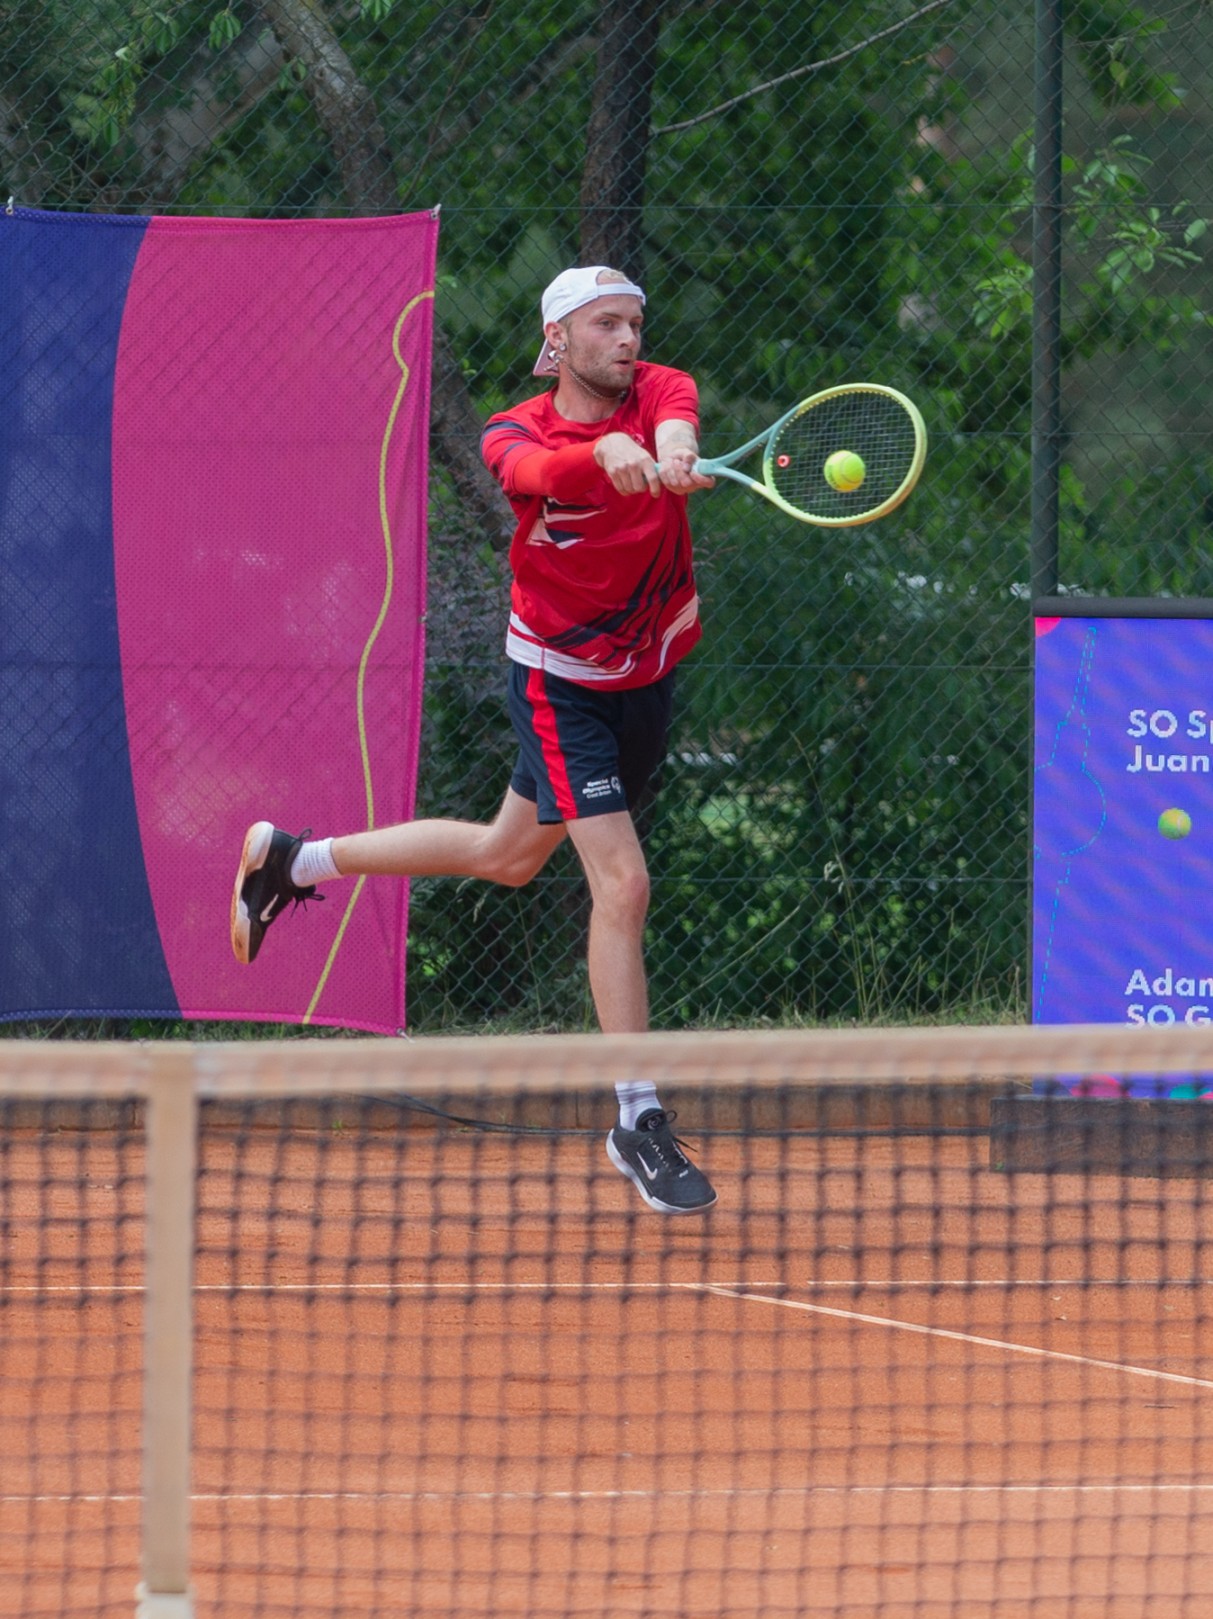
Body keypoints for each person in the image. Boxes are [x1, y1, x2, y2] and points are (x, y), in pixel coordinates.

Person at [231, 265, 717, 1214]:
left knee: (506, 855)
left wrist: (669, 446)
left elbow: (675, 419)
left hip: (645, 674)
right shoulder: (512, 432)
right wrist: (605, 456)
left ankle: (296, 859)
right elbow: (538, 475)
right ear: (557, 339)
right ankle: (638, 1117)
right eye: (605, 324)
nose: (627, 339)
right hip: (560, 682)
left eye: (633, 323)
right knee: (623, 884)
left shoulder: (659, 389)